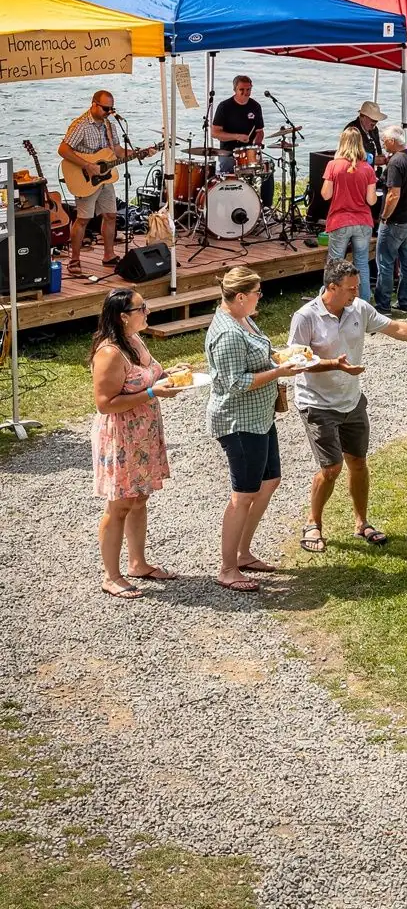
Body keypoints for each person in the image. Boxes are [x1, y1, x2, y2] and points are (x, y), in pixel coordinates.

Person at [289, 259, 407, 553]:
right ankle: (313, 523)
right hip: (317, 403)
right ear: (331, 287)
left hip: (351, 400)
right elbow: (296, 362)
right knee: (332, 467)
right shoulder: (306, 317)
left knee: (358, 463)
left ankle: (361, 524)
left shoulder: (358, 308)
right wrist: (335, 365)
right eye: (350, 288)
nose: (356, 292)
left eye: (357, 286)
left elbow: (395, 327)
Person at [205, 267, 317, 592]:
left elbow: (259, 356)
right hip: (239, 423)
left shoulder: (243, 318)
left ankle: (242, 553)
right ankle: (227, 568)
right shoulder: (227, 332)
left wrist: (282, 360)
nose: (260, 298)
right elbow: (235, 383)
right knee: (243, 495)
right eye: (256, 293)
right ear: (239, 296)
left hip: (259, 417)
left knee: (269, 481)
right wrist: (280, 370)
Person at [90, 288, 185, 599]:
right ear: (122, 316)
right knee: (118, 506)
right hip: (121, 436)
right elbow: (105, 403)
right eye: (141, 308)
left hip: (142, 434)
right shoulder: (110, 353)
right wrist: (151, 394)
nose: (148, 311)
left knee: (139, 499)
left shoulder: (135, 340)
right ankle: (111, 575)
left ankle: (138, 563)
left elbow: (150, 375)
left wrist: (172, 375)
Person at [59, 90, 127, 277]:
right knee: (83, 219)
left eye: (111, 108)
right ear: (94, 104)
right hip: (84, 179)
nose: (108, 111)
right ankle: (74, 260)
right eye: (105, 108)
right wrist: (87, 165)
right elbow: (63, 150)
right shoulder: (80, 125)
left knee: (111, 215)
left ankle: (109, 255)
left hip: (105, 178)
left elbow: (118, 151)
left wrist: (140, 153)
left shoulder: (110, 126)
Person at [322, 127, 378, 301]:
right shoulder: (367, 168)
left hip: (340, 220)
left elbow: (326, 194)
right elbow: (371, 201)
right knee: (361, 263)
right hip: (362, 221)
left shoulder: (333, 165)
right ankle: (364, 303)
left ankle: (331, 301)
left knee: (334, 264)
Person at [374, 125, 407, 317]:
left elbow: (393, 195)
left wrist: (385, 216)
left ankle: (383, 306)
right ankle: (405, 302)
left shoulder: (395, 162)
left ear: (393, 141)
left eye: (385, 140)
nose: (383, 144)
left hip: (397, 220)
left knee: (385, 262)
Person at [212, 75, 266, 173]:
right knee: (226, 177)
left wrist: (257, 144)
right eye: (242, 89)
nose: (245, 92)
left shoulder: (256, 106)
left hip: (249, 153)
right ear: (235, 89)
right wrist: (237, 136)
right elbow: (215, 133)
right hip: (228, 153)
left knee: (261, 175)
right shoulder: (224, 106)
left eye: (248, 89)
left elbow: (260, 131)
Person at [345, 100, 386, 165]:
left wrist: (384, 158)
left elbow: (378, 149)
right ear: (362, 117)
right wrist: (372, 160)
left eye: (376, 120)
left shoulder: (374, 129)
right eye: (373, 119)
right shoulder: (351, 130)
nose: (375, 123)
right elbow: (349, 155)